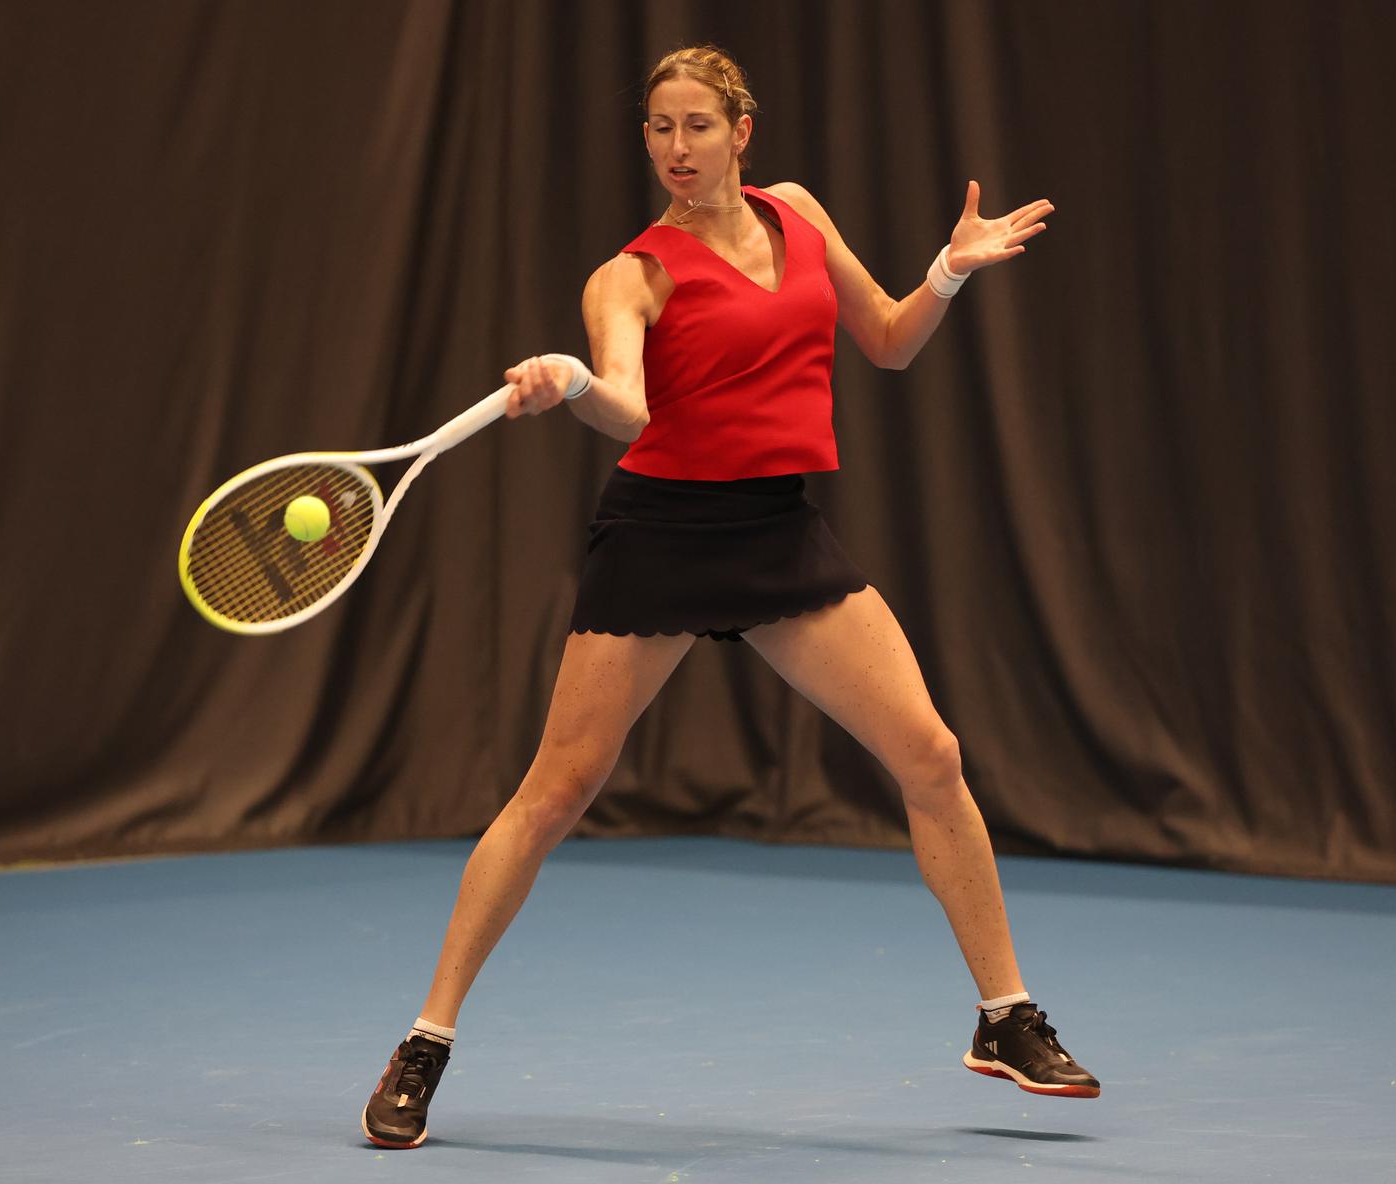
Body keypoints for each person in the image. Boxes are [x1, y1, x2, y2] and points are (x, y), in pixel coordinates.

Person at [363, 44, 1091, 1150]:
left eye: (697, 125)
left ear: (742, 131)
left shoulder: (798, 214)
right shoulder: (631, 273)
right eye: (659, 128)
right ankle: (425, 1040)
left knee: (933, 757)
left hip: (777, 533)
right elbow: (626, 405)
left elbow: (889, 342)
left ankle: (1005, 1015)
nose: (677, 148)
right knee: (553, 793)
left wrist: (948, 271)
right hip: (659, 540)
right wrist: (569, 383)